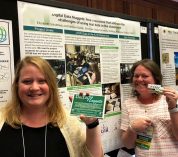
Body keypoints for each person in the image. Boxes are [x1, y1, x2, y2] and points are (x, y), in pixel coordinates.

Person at [0, 56, 103, 157]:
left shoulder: (68, 122)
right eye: (27, 81)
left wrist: (92, 125)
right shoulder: (1, 120)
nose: (34, 87)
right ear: (17, 85)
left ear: (51, 86)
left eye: (42, 81)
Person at [120, 59, 178, 156]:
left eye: (145, 76)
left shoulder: (171, 98)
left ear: (155, 79)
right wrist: (132, 128)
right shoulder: (128, 104)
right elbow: (128, 145)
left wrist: (173, 107)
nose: (139, 79)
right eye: (136, 76)